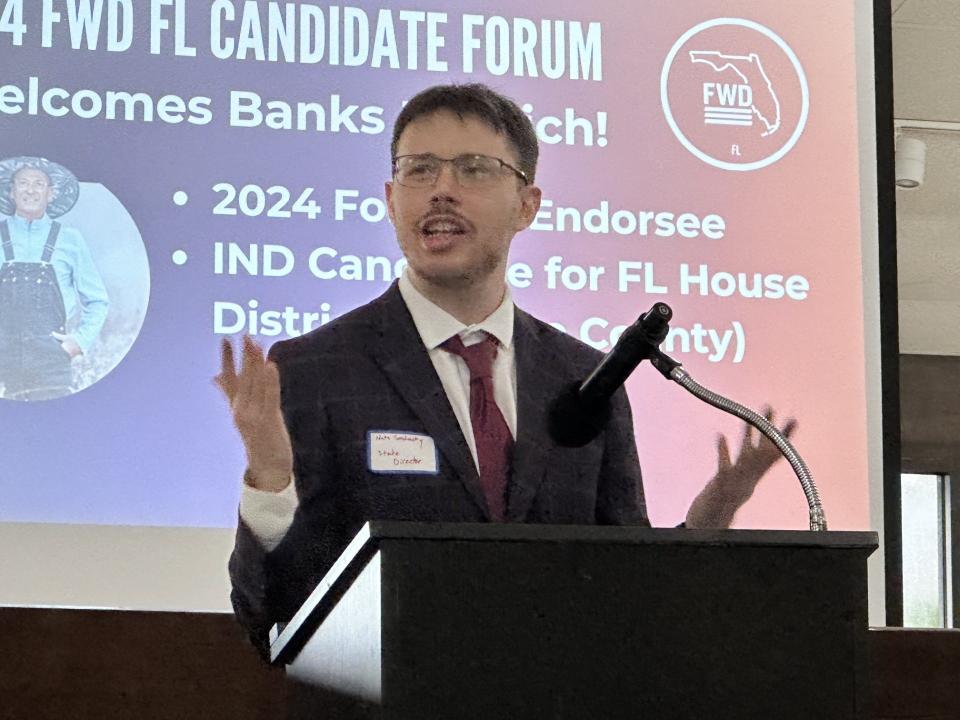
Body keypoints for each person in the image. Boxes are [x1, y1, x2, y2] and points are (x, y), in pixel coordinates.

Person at [221, 84, 794, 658]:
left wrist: (707, 521)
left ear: (527, 204)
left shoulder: (585, 380)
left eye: (473, 169)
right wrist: (270, 482)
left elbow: (628, 592)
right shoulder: (312, 371)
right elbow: (270, 616)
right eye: (420, 170)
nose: (442, 190)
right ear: (391, 199)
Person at [0, 157, 109, 401]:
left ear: (50, 194)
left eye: (38, 183)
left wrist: (78, 343)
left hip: (50, 361)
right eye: (23, 183)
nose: (30, 190)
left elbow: (98, 301)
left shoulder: (71, 239)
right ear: (11, 192)